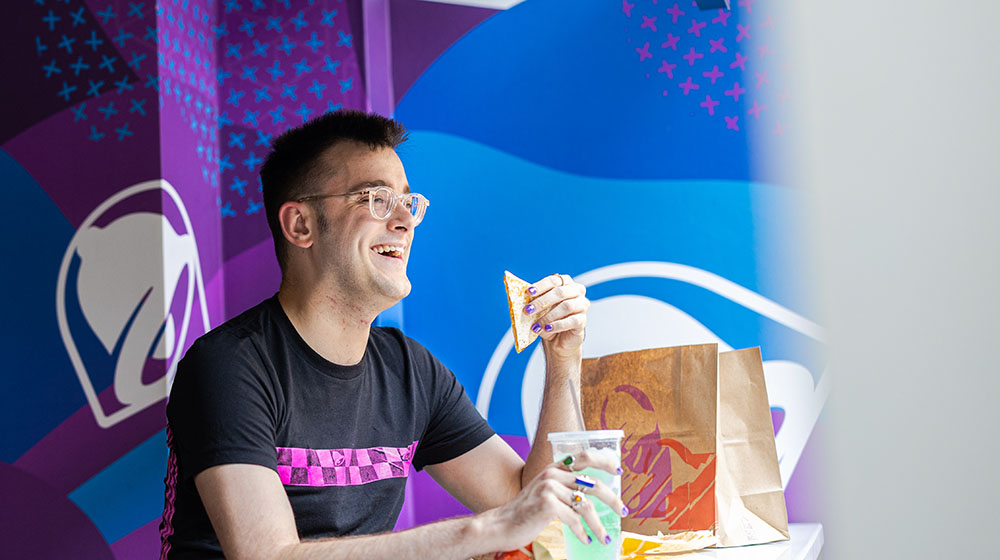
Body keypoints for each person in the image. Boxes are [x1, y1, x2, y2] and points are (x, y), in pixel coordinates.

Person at [159, 110, 626, 559]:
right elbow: (268, 556)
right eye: (376, 199)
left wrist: (563, 354)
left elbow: (531, 507)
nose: (403, 222)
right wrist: (488, 529)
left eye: (408, 203)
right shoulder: (227, 367)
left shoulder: (410, 371)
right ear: (301, 225)